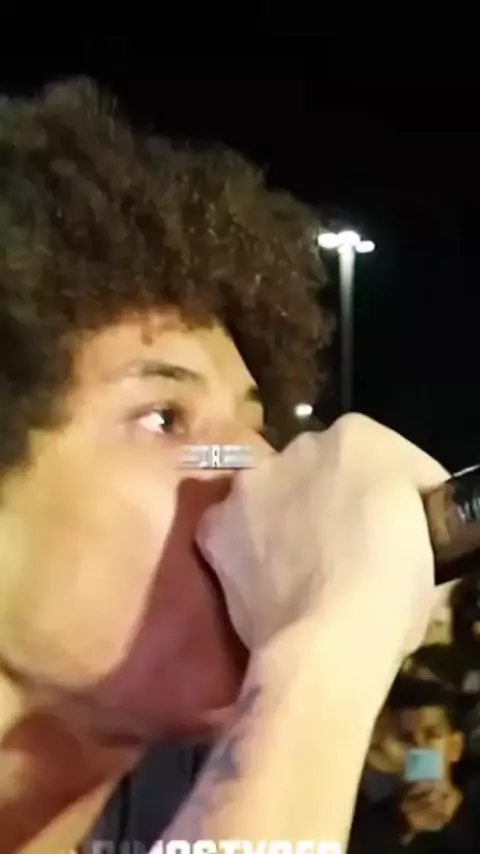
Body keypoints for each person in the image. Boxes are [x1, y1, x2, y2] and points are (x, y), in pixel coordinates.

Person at [0, 78, 447, 854]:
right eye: (164, 418)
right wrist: (330, 645)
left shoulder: (188, 795)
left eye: (256, 425)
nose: (255, 466)